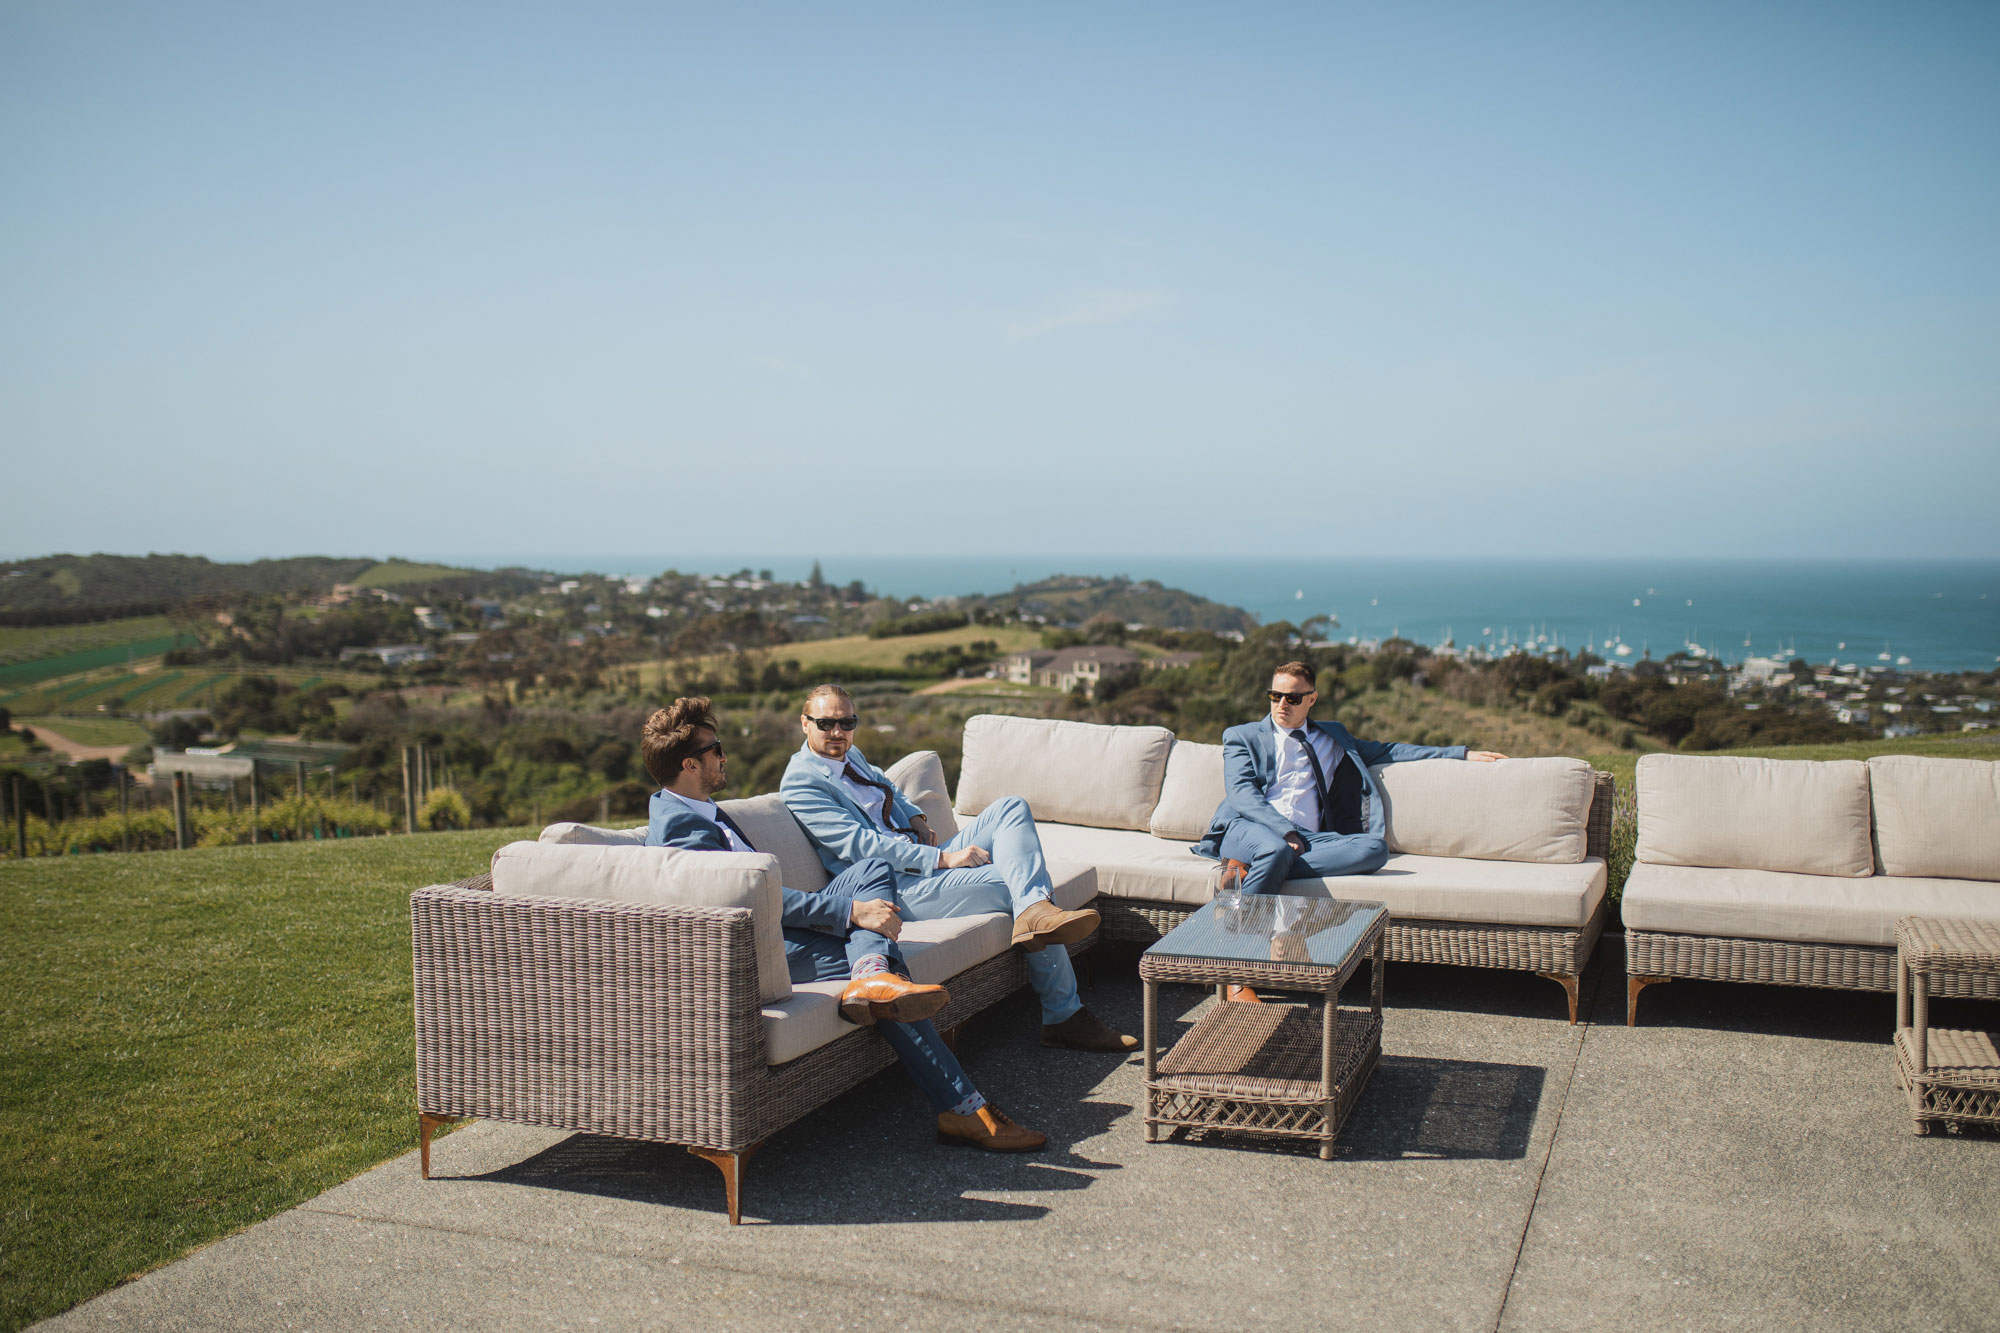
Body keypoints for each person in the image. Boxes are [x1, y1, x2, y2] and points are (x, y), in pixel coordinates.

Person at [642, 696, 1043, 1151]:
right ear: (691, 764)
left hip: (783, 922)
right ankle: (964, 1107)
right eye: (716, 749)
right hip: (760, 949)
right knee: (891, 968)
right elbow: (749, 902)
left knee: (872, 870)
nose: (724, 756)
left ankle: (871, 976)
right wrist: (850, 912)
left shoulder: (699, 809)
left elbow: (762, 890)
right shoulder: (680, 827)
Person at [780, 683, 1137, 1053]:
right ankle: (1065, 1014)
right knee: (1017, 883)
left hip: (919, 858)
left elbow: (886, 785)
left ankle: (1036, 911)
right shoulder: (802, 782)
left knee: (1010, 808)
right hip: (894, 886)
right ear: (805, 724)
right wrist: (943, 859)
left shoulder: (850, 756)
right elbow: (859, 846)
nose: (838, 732)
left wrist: (916, 817)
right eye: (826, 724)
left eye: (847, 722)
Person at [1194, 660, 1505, 1000]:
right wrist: (1285, 832)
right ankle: (1233, 968)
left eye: (1293, 698)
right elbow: (1242, 795)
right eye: (1275, 695)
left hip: (1309, 839)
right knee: (1275, 849)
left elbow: (1391, 750)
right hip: (1249, 828)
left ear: (1312, 699)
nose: (1282, 704)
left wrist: (1461, 754)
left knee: (1374, 849)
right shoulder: (1241, 735)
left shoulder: (1332, 737)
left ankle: (1251, 874)